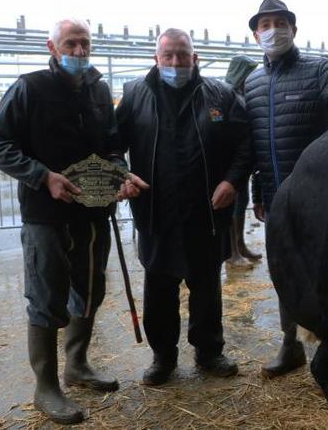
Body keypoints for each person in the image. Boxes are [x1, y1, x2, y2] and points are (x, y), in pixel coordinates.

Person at [0, 18, 147, 425]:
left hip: (93, 211)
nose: (79, 51)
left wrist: (120, 173)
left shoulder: (98, 90)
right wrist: (42, 176)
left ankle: (77, 365)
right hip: (46, 214)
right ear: (51, 47)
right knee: (46, 296)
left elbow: (110, 146)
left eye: (84, 44)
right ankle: (46, 387)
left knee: (89, 289)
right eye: (70, 44)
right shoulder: (30, 87)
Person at [244, 0, 328, 378]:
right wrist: (258, 195)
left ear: (294, 29)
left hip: (319, 198)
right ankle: (290, 346)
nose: (273, 31)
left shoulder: (319, 70)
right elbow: (255, 145)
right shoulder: (252, 82)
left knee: (325, 270)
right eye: (264, 25)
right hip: (275, 199)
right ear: (254, 35)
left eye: (280, 23)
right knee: (285, 272)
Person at [116, 28, 251, 386]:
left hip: (205, 211)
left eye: (182, 55)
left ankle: (209, 352)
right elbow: (113, 145)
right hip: (156, 211)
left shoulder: (219, 94)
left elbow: (245, 143)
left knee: (206, 284)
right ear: (156, 59)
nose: (176, 62)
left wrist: (232, 181)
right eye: (168, 56)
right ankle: (163, 357)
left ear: (195, 58)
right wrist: (120, 173)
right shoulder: (135, 95)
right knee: (159, 286)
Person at [224, 55, 261, 266]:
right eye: (248, 72)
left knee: (241, 202)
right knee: (233, 204)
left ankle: (240, 244)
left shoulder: (241, 93)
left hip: (242, 161)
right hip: (230, 161)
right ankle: (232, 253)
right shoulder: (226, 92)